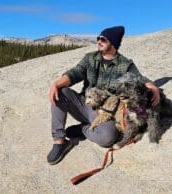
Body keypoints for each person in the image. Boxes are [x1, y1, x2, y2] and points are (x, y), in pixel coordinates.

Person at [47, 26, 160, 165]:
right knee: (60, 91)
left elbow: (139, 79)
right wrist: (56, 84)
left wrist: (153, 87)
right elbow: (75, 73)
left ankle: (83, 130)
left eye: (103, 39)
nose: (99, 41)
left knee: (108, 138)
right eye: (98, 38)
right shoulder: (90, 58)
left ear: (113, 43)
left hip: (106, 112)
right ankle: (59, 141)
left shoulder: (125, 64)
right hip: (85, 105)